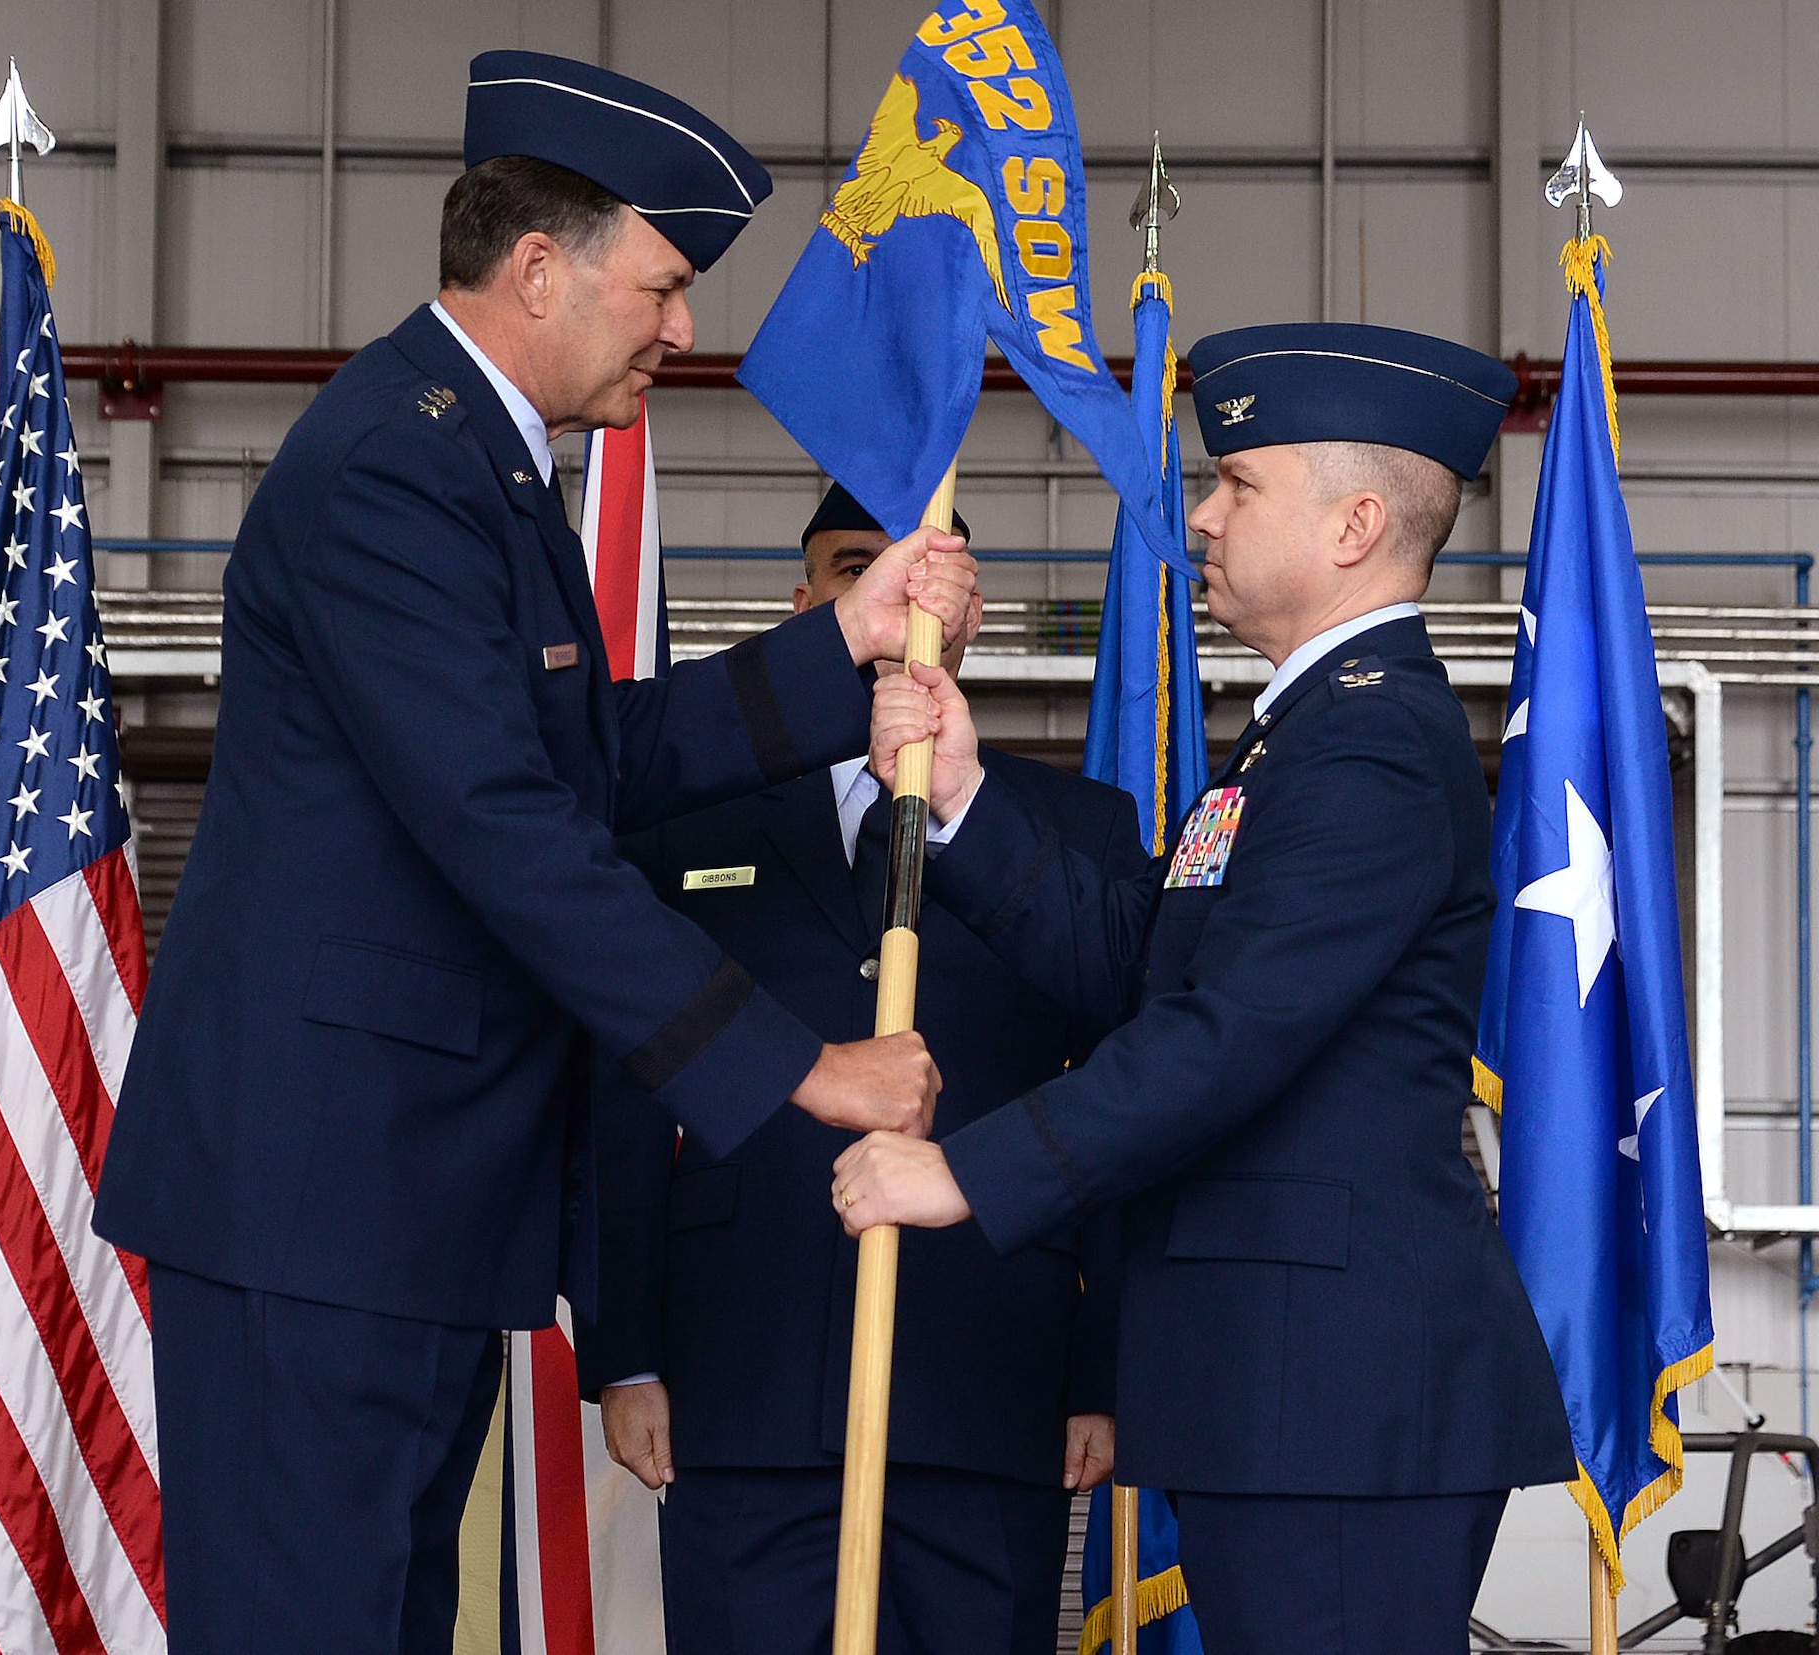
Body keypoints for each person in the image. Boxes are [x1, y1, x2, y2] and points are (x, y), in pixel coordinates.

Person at [92, 54, 978, 1655]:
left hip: (396, 1201)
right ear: (538, 269)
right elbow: (510, 833)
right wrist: (806, 1068)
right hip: (326, 1201)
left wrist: (840, 645)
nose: (684, 328)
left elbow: (594, 756)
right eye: (664, 285)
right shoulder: (394, 469)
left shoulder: (478, 467)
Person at [832, 323, 1577, 1655]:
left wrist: (969, 1173)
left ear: (1354, 524)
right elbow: (1149, 962)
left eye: (1238, 482)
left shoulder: (1371, 750)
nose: (1204, 509)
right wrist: (963, 795)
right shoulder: (1311, 730)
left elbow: (1230, 1035)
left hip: (1338, 1394)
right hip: (1286, 1381)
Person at [578, 484, 1142, 1655]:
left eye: (924, 568)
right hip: (742, 1379)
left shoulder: (1076, 827)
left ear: (969, 609)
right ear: (807, 602)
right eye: (851, 567)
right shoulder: (693, 820)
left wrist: (1098, 1368)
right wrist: (626, 1348)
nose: (889, 594)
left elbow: (1118, 1091)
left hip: (988, 1376)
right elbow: (629, 1091)